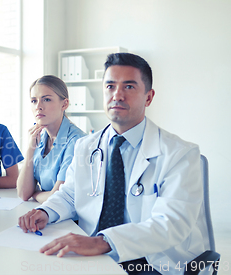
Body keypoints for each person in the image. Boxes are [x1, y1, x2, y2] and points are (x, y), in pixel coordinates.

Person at [18, 53, 208, 274]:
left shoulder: (180, 154)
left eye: (128, 87)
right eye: (110, 86)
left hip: (154, 261)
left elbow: (171, 224)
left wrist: (103, 242)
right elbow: (70, 194)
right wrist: (46, 212)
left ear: (148, 97)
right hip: (96, 257)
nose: (117, 95)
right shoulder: (85, 146)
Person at [17, 75, 86, 203]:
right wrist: (30, 150)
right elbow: (23, 193)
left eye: (46, 99)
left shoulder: (77, 141)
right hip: (45, 211)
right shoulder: (40, 137)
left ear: (64, 104)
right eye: (34, 101)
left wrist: (36, 194)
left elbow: (58, 196)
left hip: (71, 219)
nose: (38, 106)